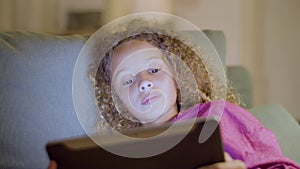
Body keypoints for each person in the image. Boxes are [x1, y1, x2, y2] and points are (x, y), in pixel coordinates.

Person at [49, 15, 300, 169]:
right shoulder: (117, 151)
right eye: (127, 81)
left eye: (154, 70)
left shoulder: (217, 114)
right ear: (119, 104)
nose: (144, 83)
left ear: (177, 78)